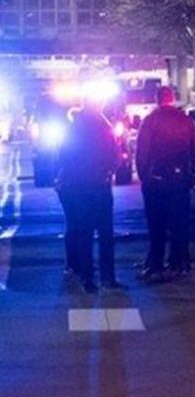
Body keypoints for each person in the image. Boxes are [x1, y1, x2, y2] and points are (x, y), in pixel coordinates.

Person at [56, 97, 122, 293]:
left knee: (84, 233)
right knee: (105, 234)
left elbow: (64, 155)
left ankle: (87, 278)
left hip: (80, 186)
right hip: (101, 185)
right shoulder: (104, 125)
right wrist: (108, 172)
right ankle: (108, 277)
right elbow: (116, 154)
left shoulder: (75, 127)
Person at [135, 87, 195, 281]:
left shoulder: (150, 121)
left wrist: (144, 177)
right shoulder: (185, 120)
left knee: (157, 225)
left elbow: (142, 153)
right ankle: (179, 263)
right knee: (179, 224)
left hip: (156, 180)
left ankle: (156, 264)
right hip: (179, 181)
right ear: (173, 98)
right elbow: (194, 150)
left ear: (157, 99)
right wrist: (191, 174)